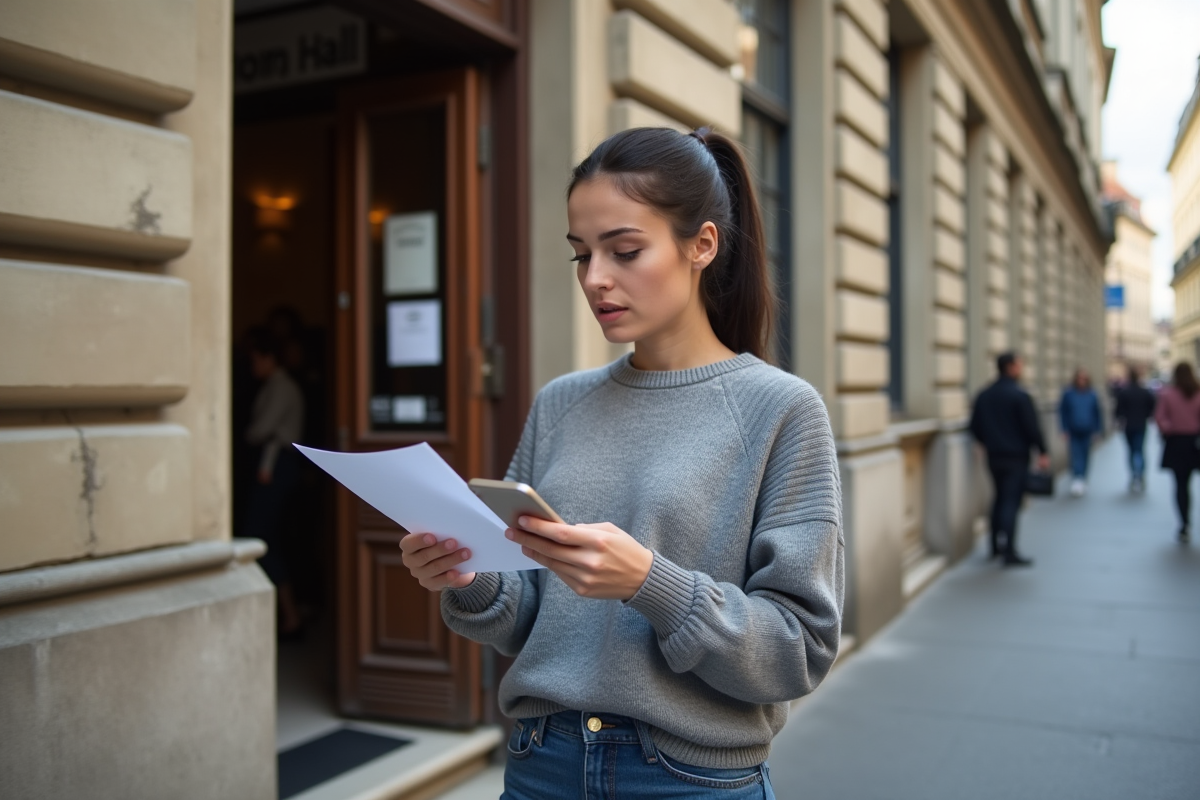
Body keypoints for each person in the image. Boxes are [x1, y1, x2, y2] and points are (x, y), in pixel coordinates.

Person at [400, 127, 843, 799]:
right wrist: (467, 576)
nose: (596, 279)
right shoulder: (561, 403)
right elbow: (524, 616)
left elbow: (797, 650)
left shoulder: (779, 410)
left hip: (688, 778)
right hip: (540, 765)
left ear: (702, 245)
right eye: (581, 255)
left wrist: (650, 583)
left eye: (625, 250)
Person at [242, 326, 307, 636]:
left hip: (278, 465)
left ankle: (287, 616)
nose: (253, 366)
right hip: (276, 464)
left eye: (256, 359)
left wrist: (249, 435)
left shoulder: (281, 387)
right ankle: (286, 615)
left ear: (269, 358)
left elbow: (261, 430)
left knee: (262, 537)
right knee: (268, 537)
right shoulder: (275, 385)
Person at [969, 352, 1050, 567]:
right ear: (1011, 367)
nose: (1022, 368)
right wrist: (1042, 451)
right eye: (1020, 364)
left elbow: (974, 426)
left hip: (994, 456)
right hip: (1015, 457)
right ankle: (1009, 551)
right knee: (1011, 502)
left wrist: (985, 442)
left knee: (998, 498)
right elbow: (1032, 428)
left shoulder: (984, 394)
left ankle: (994, 546)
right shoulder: (1019, 395)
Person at [1154, 362, 1200, 543]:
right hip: (1194, 442)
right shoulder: (1197, 393)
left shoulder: (1168, 394)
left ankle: (1184, 523)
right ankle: (1185, 522)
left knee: (1181, 485)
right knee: (1185, 484)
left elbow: (1159, 417)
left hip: (1176, 442)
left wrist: (1169, 428)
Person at [1059, 367, 1103, 497]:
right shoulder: (1069, 394)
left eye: (1084, 378)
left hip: (1088, 430)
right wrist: (1064, 429)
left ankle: (1082, 478)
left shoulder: (1092, 394)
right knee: (1075, 455)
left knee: (1085, 455)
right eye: (1080, 378)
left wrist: (1098, 430)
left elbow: (1097, 413)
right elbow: (1063, 412)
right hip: (1073, 430)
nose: (1082, 381)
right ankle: (1077, 478)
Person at [1113, 365, 1156, 493]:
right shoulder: (1145, 391)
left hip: (1128, 425)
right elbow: (1152, 407)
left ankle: (1134, 475)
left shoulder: (1124, 392)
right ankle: (1140, 475)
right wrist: (1146, 416)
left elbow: (1118, 410)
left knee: (1131, 451)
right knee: (1140, 450)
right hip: (1141, 425)